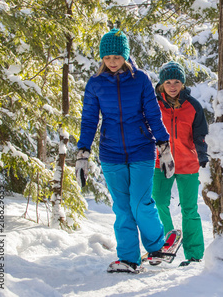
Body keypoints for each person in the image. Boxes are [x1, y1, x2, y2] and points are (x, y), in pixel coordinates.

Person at [75, 28, 176, 273]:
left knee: (140, 202)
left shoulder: (140, 79)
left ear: (125, 56)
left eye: (117, 57)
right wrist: (83, 153)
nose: (112, 62)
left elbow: (153, 114)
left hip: (141, 149)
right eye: (108, 57)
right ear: (102, 57)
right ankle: (129, 258)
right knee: (122, 207)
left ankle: (157, 247)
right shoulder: (95, 83)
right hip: (111, 154)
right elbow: (89, 120)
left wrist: (164, 147)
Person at [152, 61, 208, 266]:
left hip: (187, 163)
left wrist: (202, 155)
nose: (173, 86)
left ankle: (193, 254)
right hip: (160, 162)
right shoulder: (153, 104)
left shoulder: (193, 106)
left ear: (183, 83)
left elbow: (200, 134)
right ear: (162, 84)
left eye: (177, 81)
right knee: (158, 202)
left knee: (189, 209)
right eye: (168, 81)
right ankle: (164, 244)